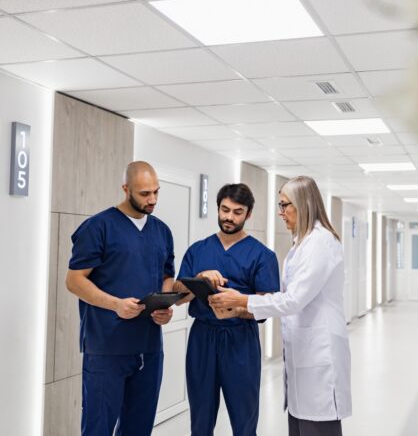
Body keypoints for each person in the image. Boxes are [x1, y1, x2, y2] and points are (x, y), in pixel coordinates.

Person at [209, 176, 352, 436]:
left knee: (317, 424)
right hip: (302, 352)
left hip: (320, 353)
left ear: (303, 204)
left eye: (285, 205)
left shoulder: (320, 242)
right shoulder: (303, 242)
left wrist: (240, 299)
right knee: (300, 423)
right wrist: (242, 306)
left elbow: (293, 299)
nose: (280, 212)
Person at [65, 161, 175, 436]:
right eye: (144, 194)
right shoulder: (98, 227)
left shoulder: (161, 231)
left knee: (139, 427)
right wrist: (115, 304)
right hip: (107, 347)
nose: (152, 200)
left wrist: (164, 305)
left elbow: (166, 275)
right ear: (126, 189)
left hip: (148, 347)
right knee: (98, 427)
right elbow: (74, 280)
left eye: (156, 192)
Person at [174, 183, 279, 436]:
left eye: (237, 212)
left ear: (248, 214)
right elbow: (178, 297)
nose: (229, 217)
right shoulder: (198, 250)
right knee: (200, 416)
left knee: (244, 419)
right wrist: (199, 278)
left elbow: (268, 306)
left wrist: (237, 307)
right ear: (218, 208)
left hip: (240, 340)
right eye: (225, 209)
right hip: (202, 339)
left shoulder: (262, 255)